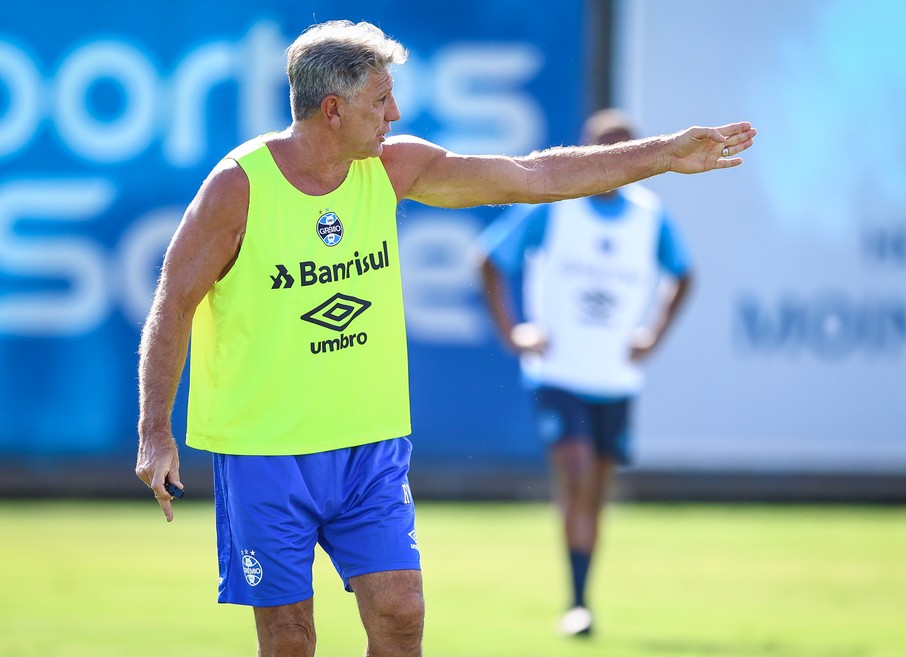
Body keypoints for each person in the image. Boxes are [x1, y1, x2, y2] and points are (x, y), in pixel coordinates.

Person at [134, 19, 755, 657]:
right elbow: (173, 303)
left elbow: (532, 177)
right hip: (264, 452)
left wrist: (663, 156)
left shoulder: (393, 168)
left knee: (402, 616)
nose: (395, 114)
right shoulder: (238, 188)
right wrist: (155, 430)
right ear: (333, 110)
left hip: (367, 448)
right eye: (381, 101)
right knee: (290, 639)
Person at [475, 108, 695, 638]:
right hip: (559, 373)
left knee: (595, 488)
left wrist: (653, 335)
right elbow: (489, 260)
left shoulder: (650, 215)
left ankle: (581, 593)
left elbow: (683, 276)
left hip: (615, 378)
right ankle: (577, 605)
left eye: (624, 148)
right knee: (574, 473)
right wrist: (516, 333)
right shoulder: (555, 207)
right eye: (604, 148)